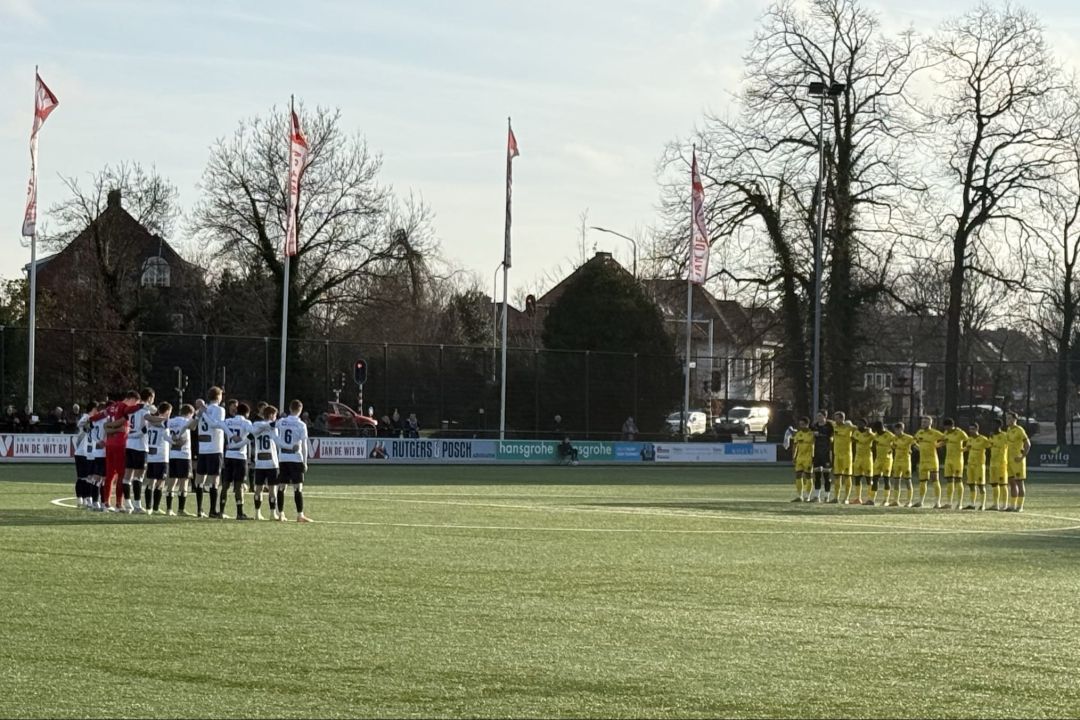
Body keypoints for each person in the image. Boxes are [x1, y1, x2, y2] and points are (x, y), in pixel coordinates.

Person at [232, 404, 297, 521]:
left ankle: (257, 513)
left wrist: (235, 445)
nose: (275, 418)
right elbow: (278, 442)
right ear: (271, 415)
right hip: (272, 462)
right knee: (272, 489)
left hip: (259, 462)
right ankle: (272, 513)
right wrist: (291, 447)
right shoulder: (273, 427)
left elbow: (249, 437)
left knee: (258, 488)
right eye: (275, 416)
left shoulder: (256, 425)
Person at [194, 387, 228, 518]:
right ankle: (212, 510)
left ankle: (199, 509)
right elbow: (215, 424)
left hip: (203, 448)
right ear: (218, 396)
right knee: (214, 480)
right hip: (214, 448)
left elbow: (194, 424)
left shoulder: (203, 409)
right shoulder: (219, 410)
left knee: (200, 479)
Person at [276, 399, 311, 522]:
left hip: (283, 458)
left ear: (290, 409)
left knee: (281, 486)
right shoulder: (301, 425)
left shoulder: (281, 422)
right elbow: (304, 445)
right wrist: (305, 462)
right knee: (297, 487)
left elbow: (272, 428)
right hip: (296, 458)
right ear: (300, 410)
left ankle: (280, 513)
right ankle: (300, 514)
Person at [124, 387, 156, 513]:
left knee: (127, 475)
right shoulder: (144, 409)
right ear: (150, 397)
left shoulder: (132, 409)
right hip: (140, 446)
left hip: (129, 444)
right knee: (139, 476)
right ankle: (137, 505)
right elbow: (145, 428)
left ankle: (128, 503)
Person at [223, 402, 254, 520]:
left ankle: (221, 511)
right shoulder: (246, 422)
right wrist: (242, 443)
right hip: (240, 456)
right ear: (246, 413)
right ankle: (240, 513)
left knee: (225, 484)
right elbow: (252, 434)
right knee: (238, 485)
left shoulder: (228, 421)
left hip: (229, 455)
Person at [166, 404, 196, 516]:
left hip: (173, 454)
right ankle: (181, 509)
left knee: (172, 481)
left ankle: (169, 509)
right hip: (184, 454)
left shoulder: (171, 421)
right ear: (190, 413)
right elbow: (193, 426)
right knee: (184, 481)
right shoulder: (185, 421)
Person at [143, 403, 172, 515]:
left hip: (151, 456)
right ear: (167, 412)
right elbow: (167, 437)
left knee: (151, 481)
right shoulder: (165, 424)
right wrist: (175, 441)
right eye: (169, 412)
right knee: (160, 483)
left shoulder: (151, 423)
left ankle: (148, 507)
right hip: (161, 456)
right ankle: (154, 507)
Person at [912, 415, 945, 509]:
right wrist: (919, 448)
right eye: (922, 422)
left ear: (930, 423)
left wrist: (937, 445)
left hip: (932, 460)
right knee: (922, 482)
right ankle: (920, 501)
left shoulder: (935, 433)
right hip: (922, 461)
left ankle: (937, 502)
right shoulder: (919, 432)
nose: (923, 423)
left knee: (935, 480)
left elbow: (946, 439)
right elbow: (913, 441)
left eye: (926, 422)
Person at [1004, 411, 1032, 512]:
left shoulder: (1019, 430)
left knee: (1020, 483)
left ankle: (1020, 506)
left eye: (1010, 418)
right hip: (1009, 460)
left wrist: (1022, 457)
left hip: (1017, 461)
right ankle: (1012, 505)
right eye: (1007, 418)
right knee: (1012, 483)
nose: (1008, 420)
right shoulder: (1008, 430)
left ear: (1015, 419)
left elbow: (1028, 444)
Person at [941, 418, 969, 510]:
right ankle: (949, 502)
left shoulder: (960, 432)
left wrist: (964, 449)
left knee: (958, 480)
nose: (946, 429)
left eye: (947, 427)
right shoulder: (946, 433)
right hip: (948, 459)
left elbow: (969, 440)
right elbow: (944, 442)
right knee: (949, 480)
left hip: (958, 460)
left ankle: (959, 503)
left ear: (951, 426)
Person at [964, 422, 990, 511]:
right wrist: (959, 450)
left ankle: (982, 505)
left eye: (973, 429)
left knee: (981, 485)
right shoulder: (970, 439)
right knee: (971, 484)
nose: (971, 431)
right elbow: (967, 448)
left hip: (979, 465)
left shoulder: (983, 439)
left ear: (977, 429)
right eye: (970, 429)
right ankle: (972, 504)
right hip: (970, 464)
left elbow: (991, 446)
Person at [830, 412, 854, 504]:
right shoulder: (834, 425)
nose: (835, 420)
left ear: (842, 418)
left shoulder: (849, 427)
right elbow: (828, 421)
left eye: (837, 419)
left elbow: (859, 429)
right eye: (835, 419)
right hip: (837, 455)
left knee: (847, 476)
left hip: (847, 456)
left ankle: (846, 498)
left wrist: (851, 424)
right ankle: (836, 497)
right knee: (837, 476)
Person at [890, 422, 916, 507]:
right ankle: (896, 500)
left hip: (906, 462)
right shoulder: (894, 438)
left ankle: (909, 501)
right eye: (895, 430)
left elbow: (915, 445)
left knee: (907, 481)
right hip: (897, 461)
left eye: (897, 430)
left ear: (901, 429)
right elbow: (893, 446)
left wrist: (921, 450)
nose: (896, 431)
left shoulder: (909, 438)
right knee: (896, 481)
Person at [870, 420, 895, 506]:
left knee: (886, 479)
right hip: (878, 460)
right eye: (877, 429)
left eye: (879, 429)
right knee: (875, 478)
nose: (878, 431)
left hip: (887, 460)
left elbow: (896, 442)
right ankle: (872, 499)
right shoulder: (876, 435)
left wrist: (891, 450)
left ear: (882, 427)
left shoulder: (889, 435)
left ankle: (886, 500)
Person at [850, 420, 875, 505]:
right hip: (858, 458)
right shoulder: (856, 432)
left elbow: (876, 438)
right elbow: (852, 439)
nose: (859, 425)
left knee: (869, 479)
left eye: (861, 424)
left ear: (865, 424)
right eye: (858, 423)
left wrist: (871, 433)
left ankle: (870, 498)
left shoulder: (869, 433)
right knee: (857, 478)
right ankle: (858, 498)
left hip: (867, 458)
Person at [790, 417, 815, 502]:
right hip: (799, 458)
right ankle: (799, 496)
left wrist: (813, 457)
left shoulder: (812, 434)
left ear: (807, 424)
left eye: (803, 424)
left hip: (809, 458)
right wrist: (794, 457)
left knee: (808, 476)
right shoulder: (798, 434)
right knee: (798, 475)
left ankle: (807, 496)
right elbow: (795, 446)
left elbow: (816, 446)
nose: (801, 426)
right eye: (800, 424)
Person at [811, 411, 833, 503]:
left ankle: (827, 496)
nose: (818, 418)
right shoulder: (814, 426)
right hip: (817, 454)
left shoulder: (830, 426)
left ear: (825, 416)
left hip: (826, 454)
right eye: (817, 416)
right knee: (817, 476)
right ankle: (817, 496)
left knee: (826, 476)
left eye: (820, 416)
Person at [988, 418, 1010, 511]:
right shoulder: (991, 436)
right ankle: (995, 504)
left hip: (1001, 463)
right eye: (992, 424)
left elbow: (1011, 445)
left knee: (1003, 484)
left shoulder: (1005, 435)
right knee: (994, 484)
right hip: (993, 463)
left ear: (999, 425)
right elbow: (990, 446)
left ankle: (1004, 504)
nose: (992, 426)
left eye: (994, 424)